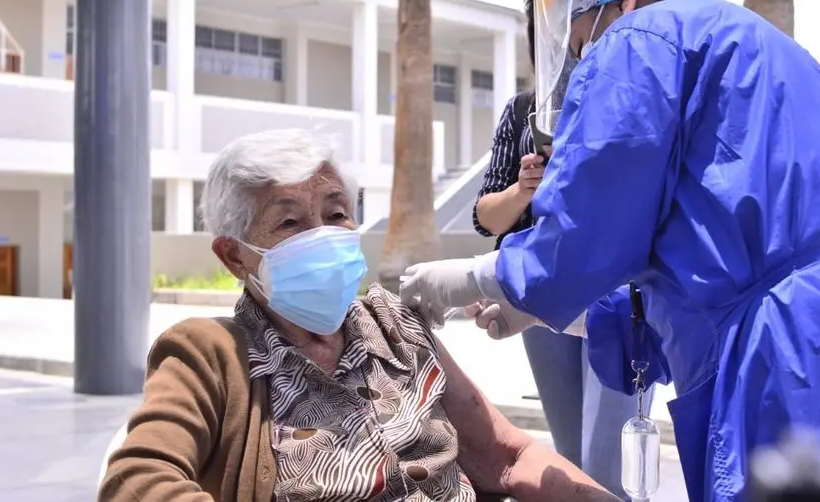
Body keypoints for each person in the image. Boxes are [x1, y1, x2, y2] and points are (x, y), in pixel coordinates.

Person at [399, 0, 820, 501]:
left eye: (577, 35)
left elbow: (590, 226)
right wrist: (575, 314)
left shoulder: (640, 39)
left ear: (622, 0)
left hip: (785, 365)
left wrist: (476, 277)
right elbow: (702, 242)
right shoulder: (774, 53)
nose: (578, 54)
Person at [98, 129, 619, 502]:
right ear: (234, 256)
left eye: (335, 213)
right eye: (290, 222)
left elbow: (508, 456)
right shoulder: (209, 355)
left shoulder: (394, 324)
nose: (323, 236)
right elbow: (137, 476)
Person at [472, 0, 651, 495]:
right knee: (569, 459)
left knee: (605, 462)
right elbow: (487, 217)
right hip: (544, 294)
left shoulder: (634, 99)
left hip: (616, 295)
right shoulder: (527, 110)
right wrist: (524, 189)